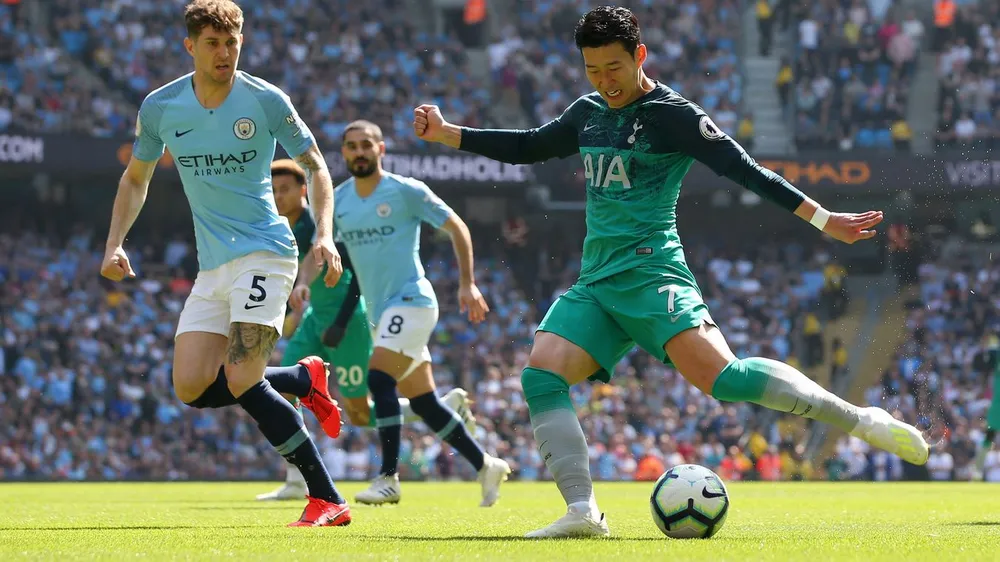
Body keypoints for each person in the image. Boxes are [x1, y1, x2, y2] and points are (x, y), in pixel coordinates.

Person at [413, 5, 930, 538]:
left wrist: (824, 219)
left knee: (726, 381)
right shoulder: (587, 112)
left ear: (640, 55)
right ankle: (583, 511)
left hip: (653, 272)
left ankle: (860, 419)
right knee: (541, 375)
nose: (605, 81)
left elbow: (745, 170)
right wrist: (450, 133)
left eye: (614, 67)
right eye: (593, 70)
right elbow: (527, 146)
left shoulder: (673, 115)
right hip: (597, 281)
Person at [100, 0, 350, 527]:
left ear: (242, 43)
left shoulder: (264, 99)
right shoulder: (162, 107)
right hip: (213, 266)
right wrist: (114, 243)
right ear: (189, 46)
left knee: (241, 378)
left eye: (232, 42)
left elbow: (316, 166)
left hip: (267, 252)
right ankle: (302, 380)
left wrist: (324, 233)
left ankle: (327, 497)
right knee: (191, 386)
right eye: (212, 43)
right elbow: (136, 178)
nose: (224, 53)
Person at [257, 159, 477, 500]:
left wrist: (340, 323)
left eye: (285, 189)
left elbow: (356, 274)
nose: (278, 196)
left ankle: (436, 409)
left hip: (349, 323)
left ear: (304, 191)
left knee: (360, 413)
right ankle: (296, 479)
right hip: (315, 319)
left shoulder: (322, 225)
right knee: (284, 390)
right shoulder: (283, 227)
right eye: (273, 190)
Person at [334, 120, 511, 507]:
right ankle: (485, 465)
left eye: (366, 144)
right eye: (352, 146)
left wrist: (468, 283)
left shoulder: (405, 191)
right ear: (344, 152)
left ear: (381, 149)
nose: (359, 152)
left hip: (412, 301)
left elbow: (457, 227)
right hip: (380, 313)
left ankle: (388, 478)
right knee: (424, 404)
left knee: (379, 379)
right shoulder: (339, 201)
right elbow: (335, 255)